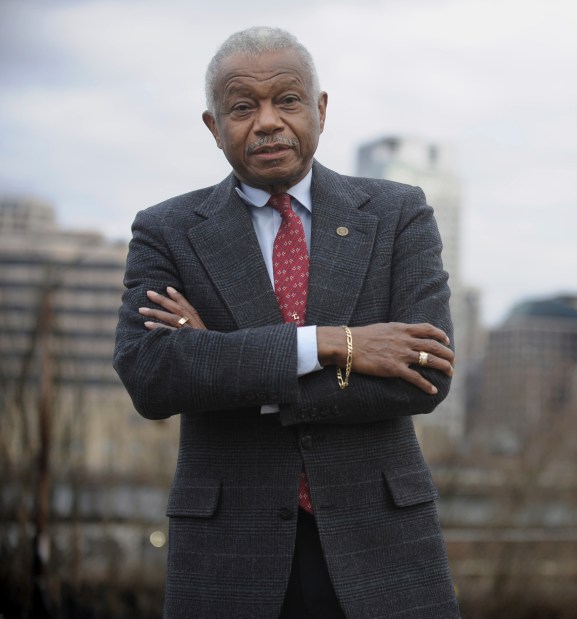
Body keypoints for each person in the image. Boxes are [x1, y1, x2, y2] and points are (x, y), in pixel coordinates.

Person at [113, 26, 460, 619]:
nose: (268, 121)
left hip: (383, 545)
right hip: (227, 554)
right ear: (212, 125)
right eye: (243, 107)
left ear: (320, 110)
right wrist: (332, 345)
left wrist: (222, 357)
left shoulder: (399, 213)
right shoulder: (166, 231)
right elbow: (153, 377)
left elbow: (424, 374)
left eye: (288, 100)